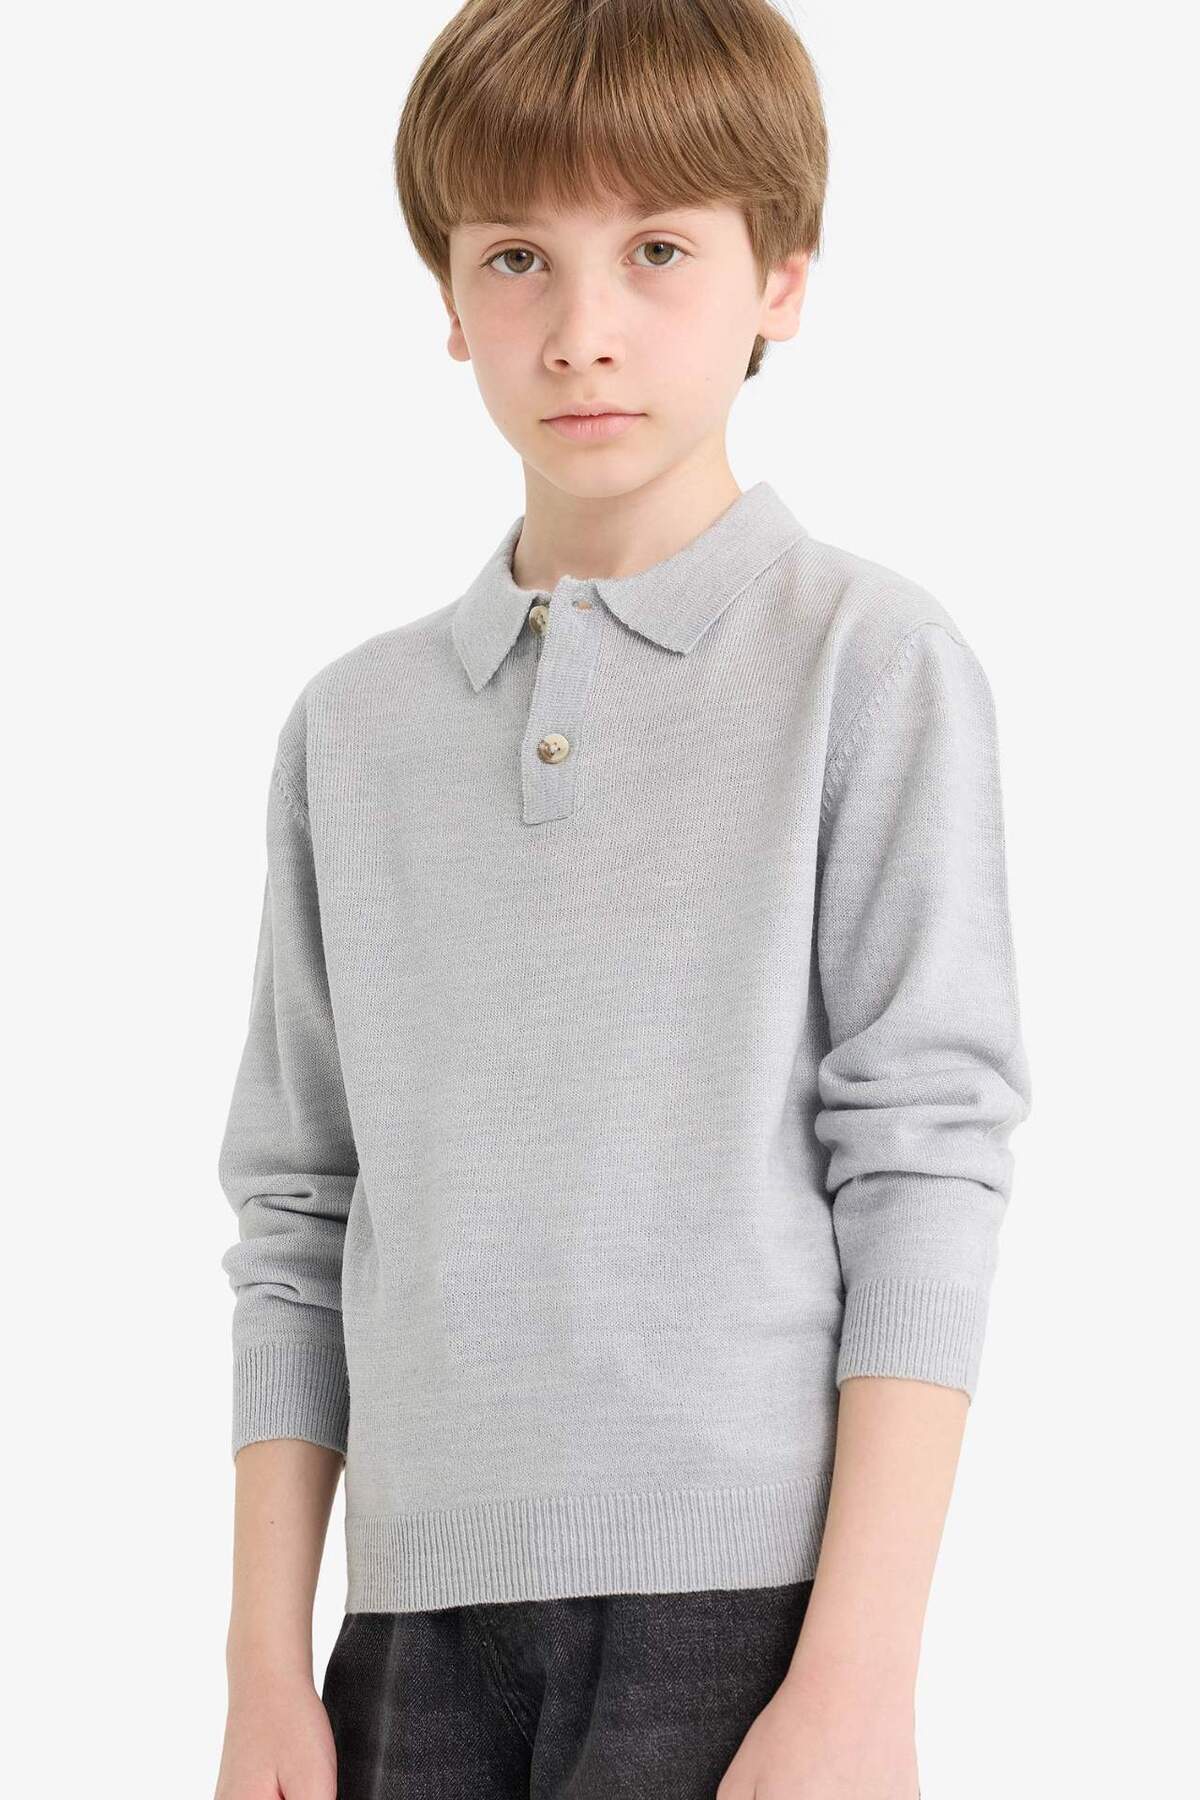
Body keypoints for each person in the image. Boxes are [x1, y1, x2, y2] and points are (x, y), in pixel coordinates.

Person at [213, 3, 1032, 1797]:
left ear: (781, 281)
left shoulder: (867, 662)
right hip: (405, 1636)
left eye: (658, 250)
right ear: (450, 296)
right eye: (519, 256)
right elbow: (297, 1209)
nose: (583, 329)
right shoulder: (354, 730)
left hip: (740, 1621)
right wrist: (265, 1670)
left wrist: (859, 1678)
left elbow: (923, 1163)